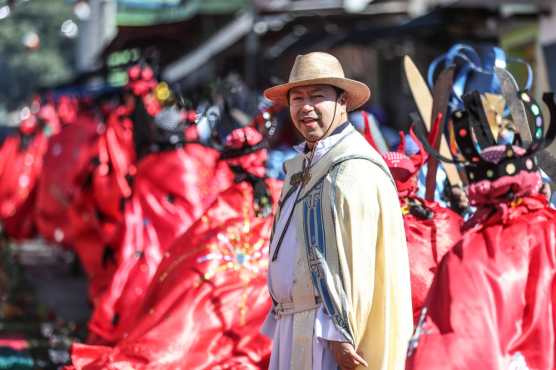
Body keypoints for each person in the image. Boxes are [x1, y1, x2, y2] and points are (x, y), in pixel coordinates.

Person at [261, 51, 413, 370]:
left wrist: (342, 331)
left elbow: (358, 265)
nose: (305, 107)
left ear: (342, 101)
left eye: (317, 97)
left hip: (327, 334)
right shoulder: (305, 166)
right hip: (296, 324)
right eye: (297, 98)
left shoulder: (352, 170)